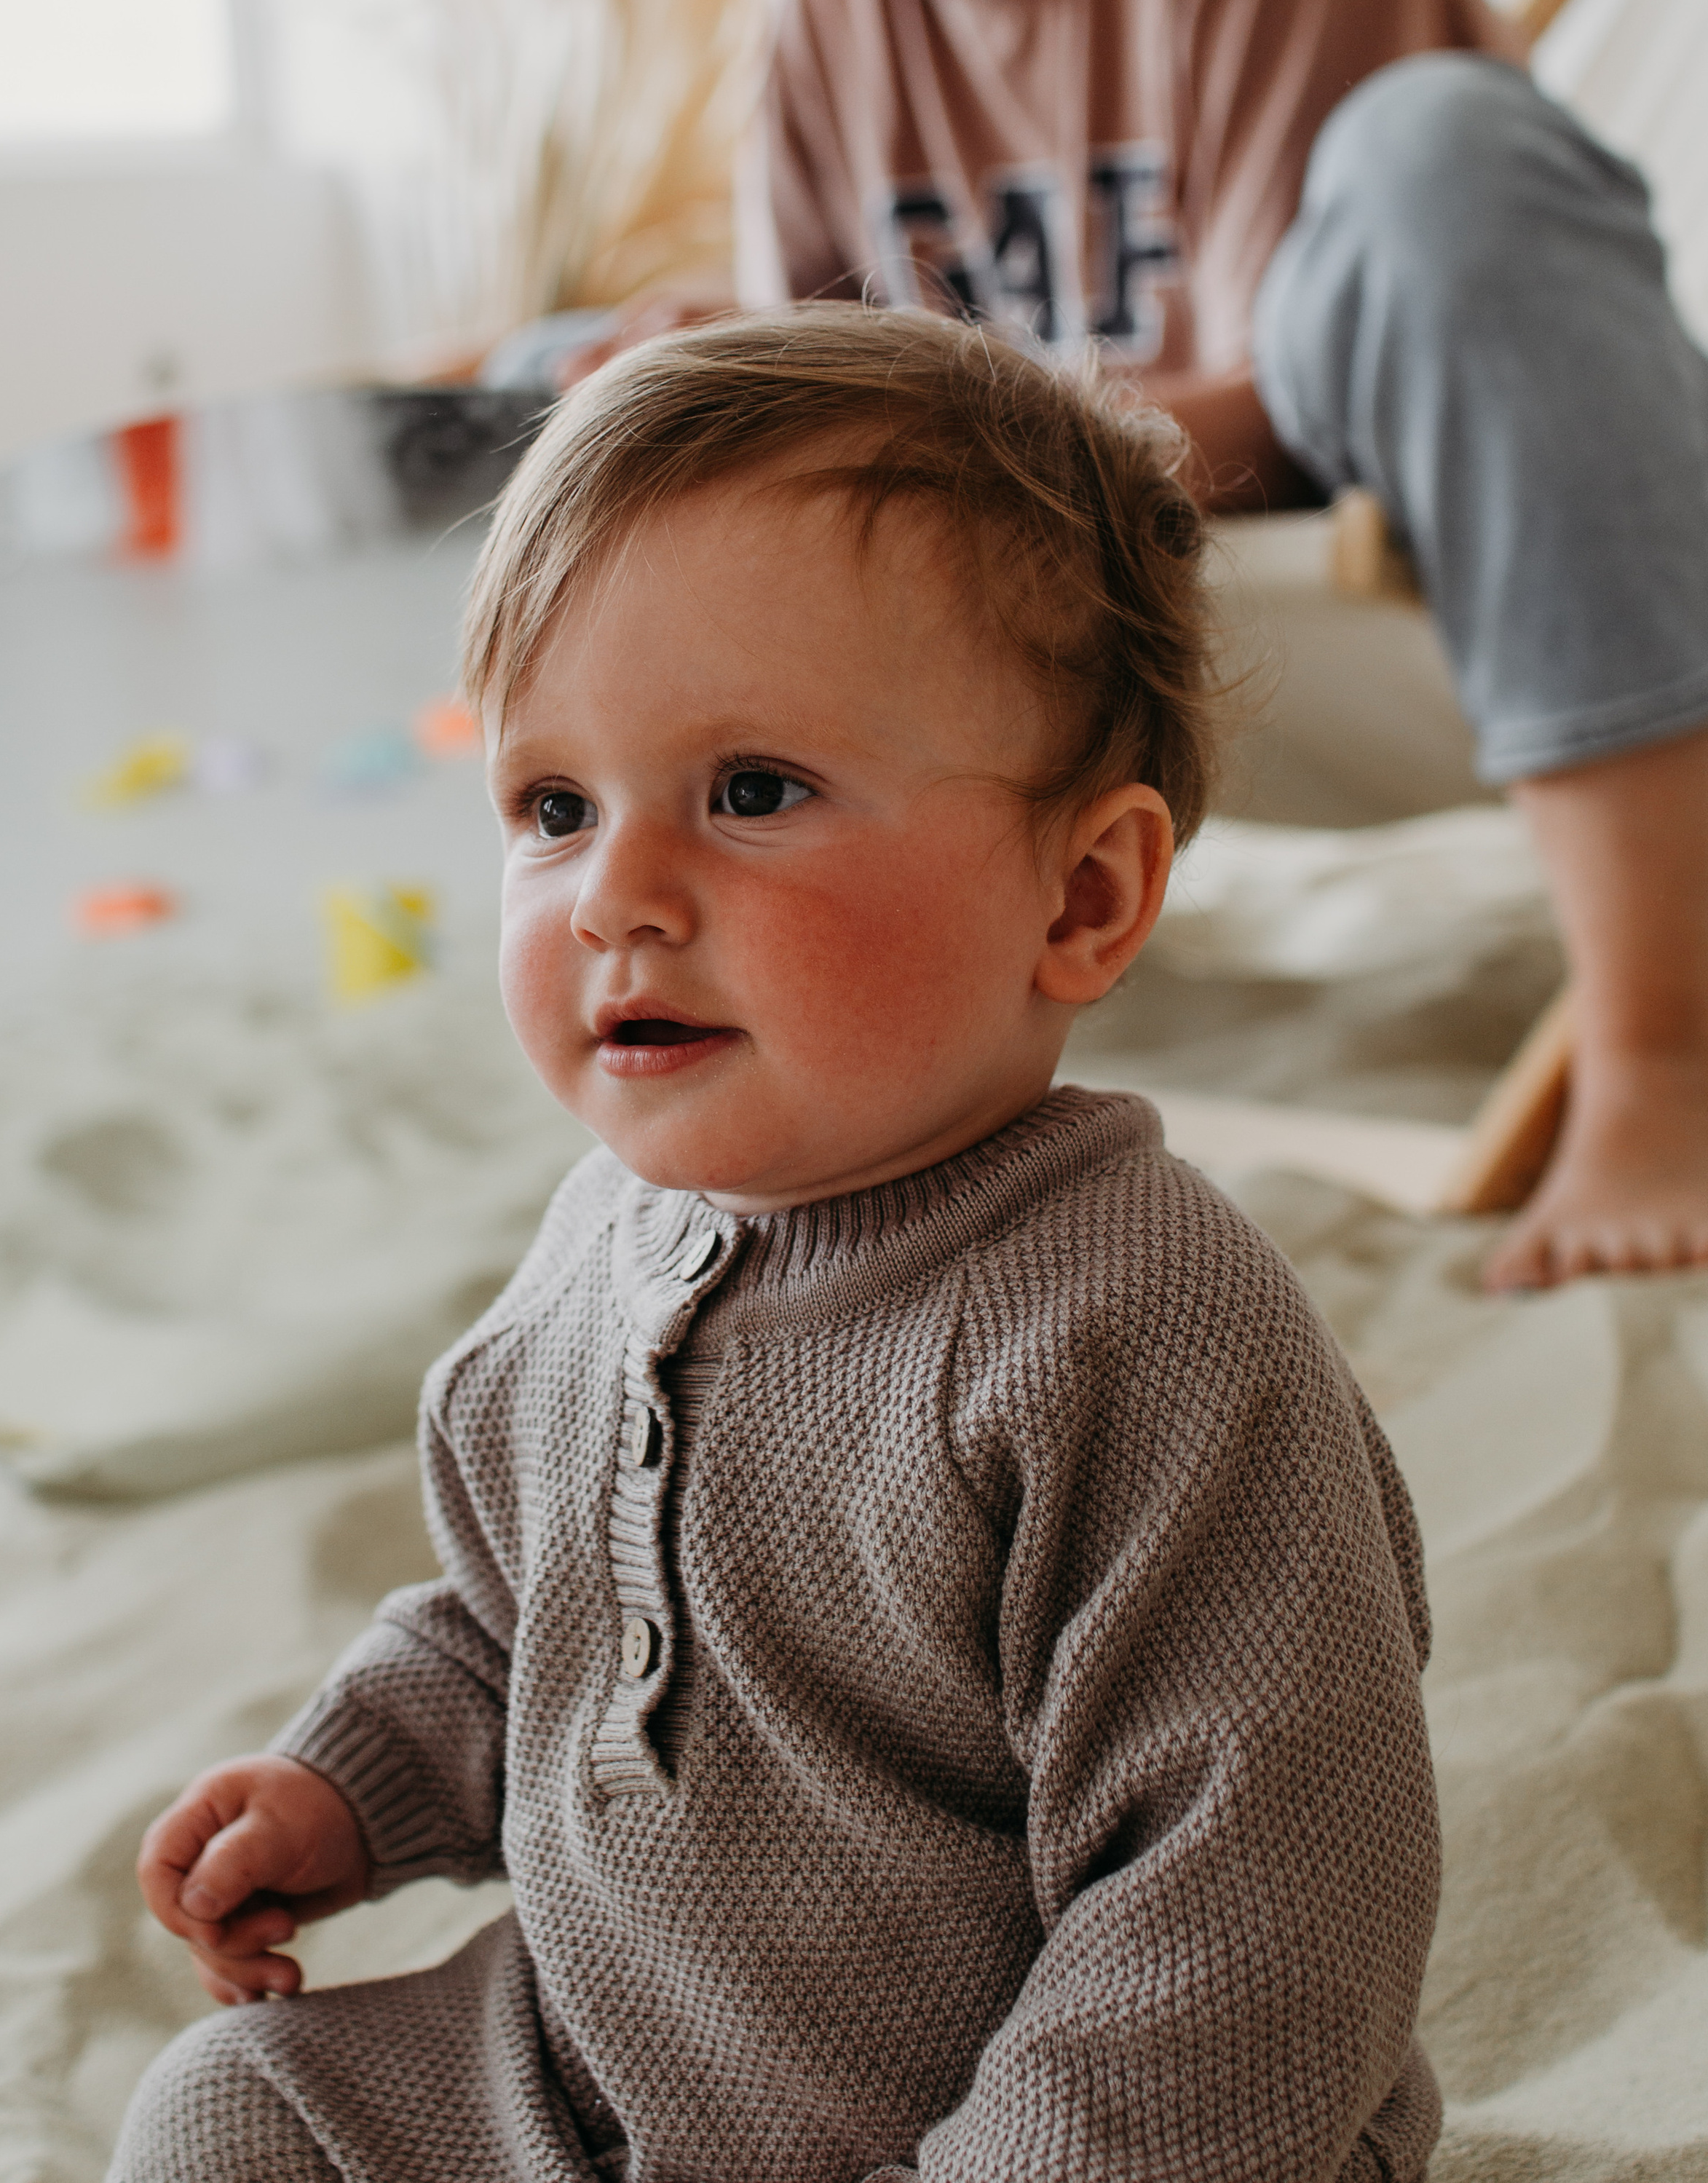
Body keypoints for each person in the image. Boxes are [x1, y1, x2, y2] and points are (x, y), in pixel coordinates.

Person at [111, 310, 1442, 2183]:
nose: (616, 898)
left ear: (1080, 892)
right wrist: (358, 1784)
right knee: (230, 2117)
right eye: (552, 808)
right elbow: (530, 1624)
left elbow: (1256, 1903)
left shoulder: (1136, 1324)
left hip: (1055, 2126)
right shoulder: (602, 1241)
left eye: (749, 791)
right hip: (601, 2071)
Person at [547, 0, 1708, 1295]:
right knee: (660, 370)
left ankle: (1662, 1055)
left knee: (1444, 159)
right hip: (1035, 618)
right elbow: (819, 438)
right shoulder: (826, 27)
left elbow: (1303, 401)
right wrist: (734, 388)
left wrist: (913, 424)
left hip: (1377, 555)